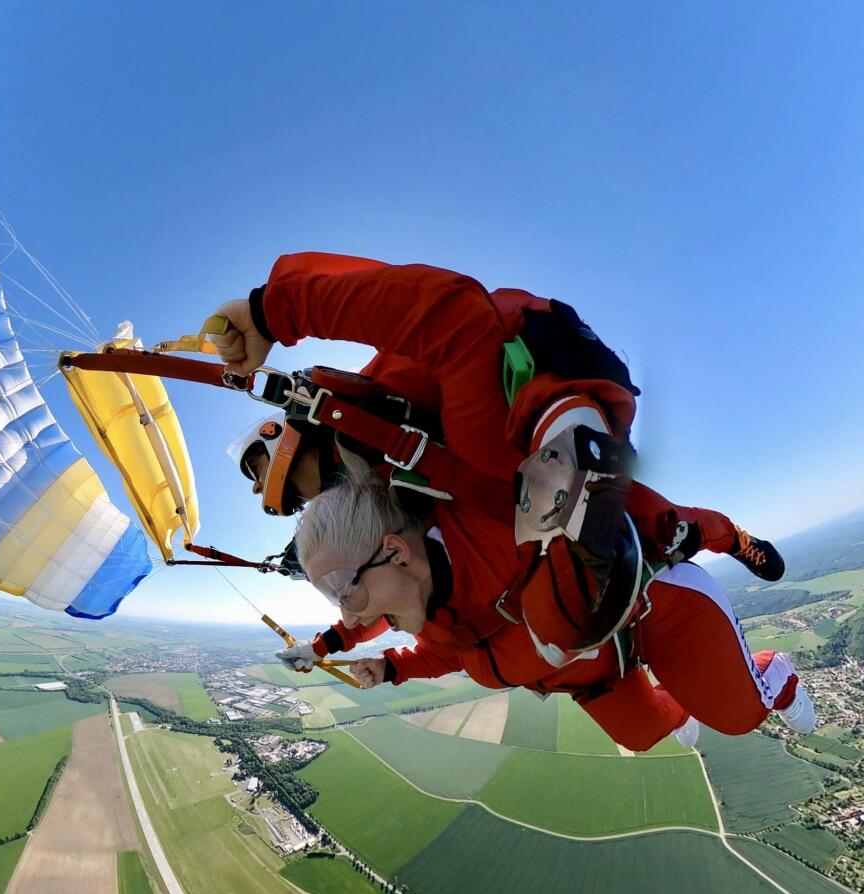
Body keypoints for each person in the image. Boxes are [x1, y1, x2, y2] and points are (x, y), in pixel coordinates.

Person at [212, 251, 785, 683]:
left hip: (513, 403)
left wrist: (273, 313)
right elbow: (388, 588)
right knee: (556, 549)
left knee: (660, 527)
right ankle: (573, 467)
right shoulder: (380, 506)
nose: (264, 488)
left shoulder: (368, 414)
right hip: (497, 495)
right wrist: (326, 639)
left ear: (282, 439)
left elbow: (452, 317)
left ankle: (726, 534)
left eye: (258, 471)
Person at [292, 477, 815, 750]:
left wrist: (732, 540)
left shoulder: (498, 536)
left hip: (661, 609)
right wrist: (389, 667)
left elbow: (653, 518)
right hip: (596, 672)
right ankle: (683, 702)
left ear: (395, 552)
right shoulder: (430, 611)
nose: (349, 616)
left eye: (342, 591)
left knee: (738, 719)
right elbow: (454, 651)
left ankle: (777, 675)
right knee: (641, 733)